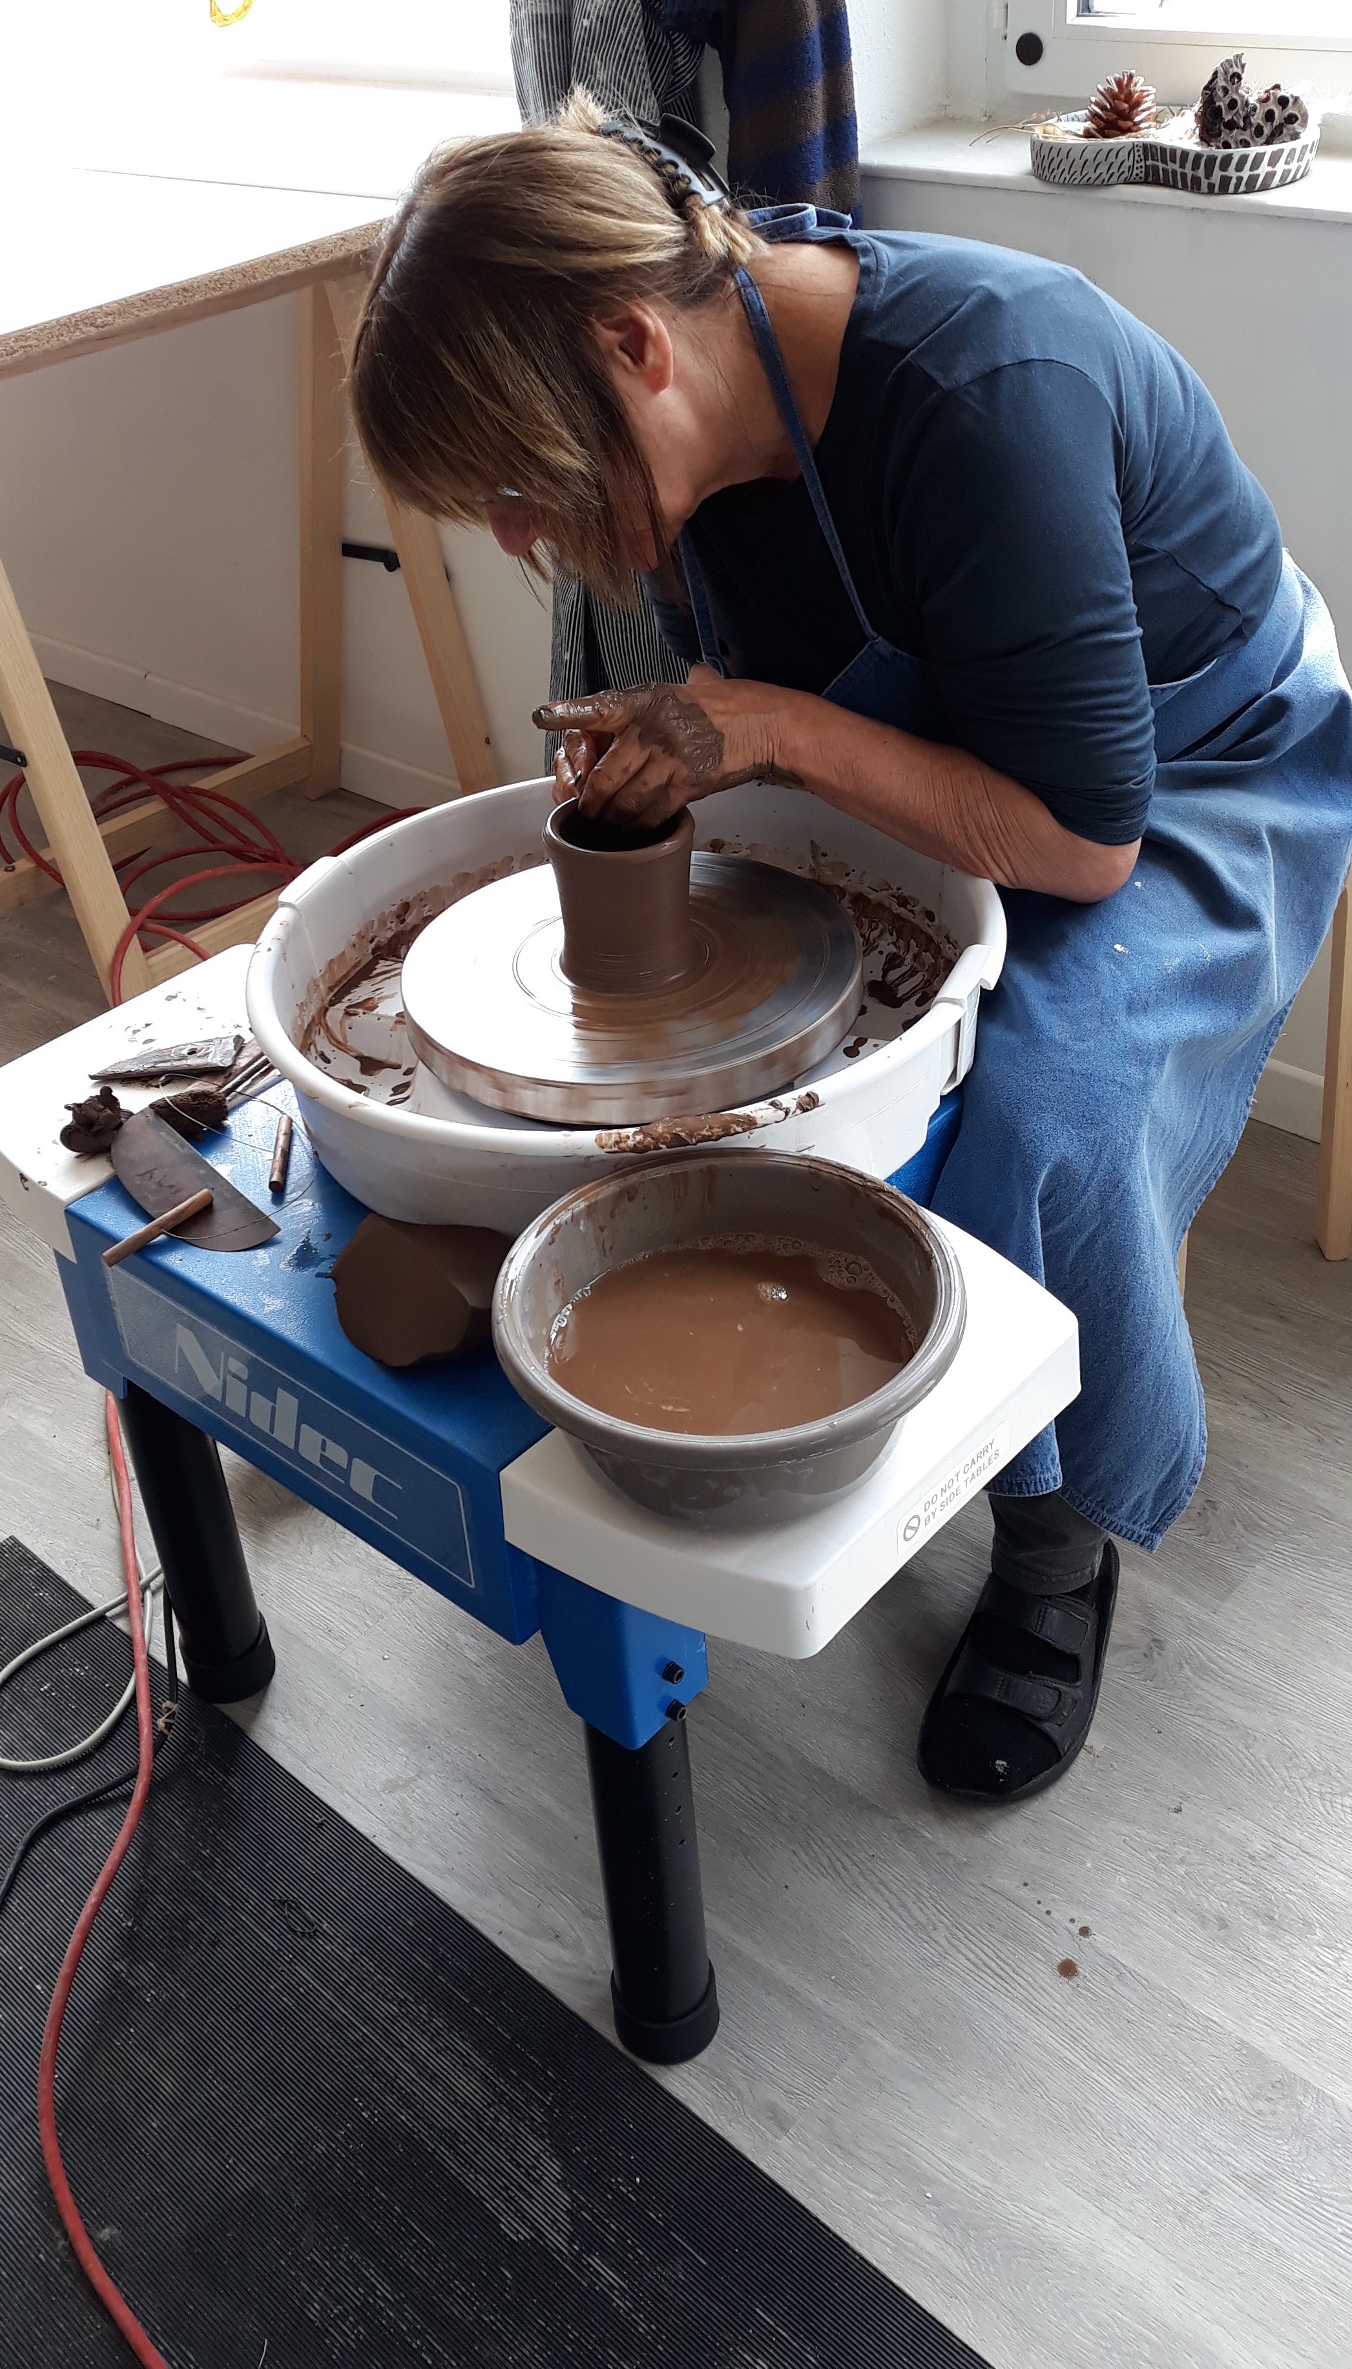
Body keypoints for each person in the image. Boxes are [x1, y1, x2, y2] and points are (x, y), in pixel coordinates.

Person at [349, 96, 1352, 1804]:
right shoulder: (707, 444)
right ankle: (792, 1378)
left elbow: (1076, 842)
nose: (529, 543)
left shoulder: (981, 393)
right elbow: (805, 722)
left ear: (628, 342)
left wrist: (772, 734)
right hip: (973, 742)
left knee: (1033, 1093)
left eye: (526, 490)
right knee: (796, 1039)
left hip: (1206, 765)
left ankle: (1058, 1543)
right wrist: (711, 756)